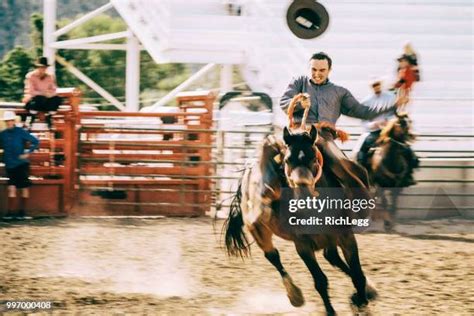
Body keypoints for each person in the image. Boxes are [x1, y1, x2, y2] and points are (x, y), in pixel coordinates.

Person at [280, 52, 408, 198]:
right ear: (308, 68)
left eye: (322, 70)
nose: (317, 74)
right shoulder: (298, 82)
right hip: (294, 136)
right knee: (269, 152)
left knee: (346, 168)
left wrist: (393, 105)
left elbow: (364, 112)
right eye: (313, 69)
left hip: (323, 138)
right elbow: (283, 103)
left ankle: (358, 205)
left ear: (329, 70)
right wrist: (298, 104)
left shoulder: (340, 93)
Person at [0, 111, 40, 217]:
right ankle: (11, 212)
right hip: (10, 164)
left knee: (23, 187)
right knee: (12, 187)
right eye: (7, 121)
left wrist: (28, 153)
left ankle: (22, 212)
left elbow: (35, 141)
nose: (9, 123)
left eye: (10, 121)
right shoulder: (2, 134)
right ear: (5, 122)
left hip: (21, 164)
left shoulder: (20, 132)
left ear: (13, 121)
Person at [357, 78, 397, 169]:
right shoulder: (366, 101)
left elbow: (395, 113)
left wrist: (389, 121)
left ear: (380, 85)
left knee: (403, 142)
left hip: (390, 130)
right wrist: (373, 124)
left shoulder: (391, 97)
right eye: (374, 85)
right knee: (361, 149)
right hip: (374, 131)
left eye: (377, 84)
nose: (376, 87)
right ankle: (361, 168)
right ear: (371, 87)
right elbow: (364, 120)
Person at [22, 56, 62, 129]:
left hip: (45, 101)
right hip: (33, 101)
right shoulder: (31, 76)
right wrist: (43, 93)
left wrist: (50, 94)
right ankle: (31, 118)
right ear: (37, 67)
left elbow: (54, 89)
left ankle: (49, 117)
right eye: (40, 67)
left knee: (57, 99)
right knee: (39, 99)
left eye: (44, 67)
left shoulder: (50, 77)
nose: (42, 69)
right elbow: (31, 91)